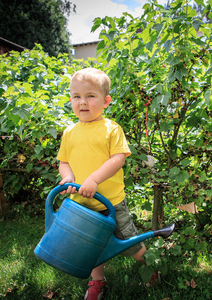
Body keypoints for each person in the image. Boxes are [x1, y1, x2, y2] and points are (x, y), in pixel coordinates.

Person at [57, 67, 154, 300]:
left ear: (106, 101)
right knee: (88, 245)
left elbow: (118, 159)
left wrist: (93, 179)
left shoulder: (111, 129)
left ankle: (149, 267)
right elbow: (64, 161)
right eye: (76, 96)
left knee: (128, 241)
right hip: (80, 202)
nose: (82, 102)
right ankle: (97, 280)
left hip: (110, 202)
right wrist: (68, 177)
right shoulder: (69, 132)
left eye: (90, 96)